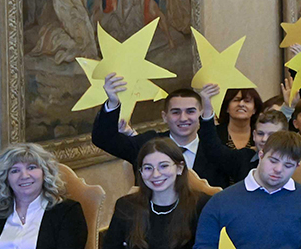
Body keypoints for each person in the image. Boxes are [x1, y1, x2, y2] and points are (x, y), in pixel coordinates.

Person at [93, 78, 243, 187]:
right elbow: (104, 139)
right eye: (176, 112)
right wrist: (112, 103)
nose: (183, 118)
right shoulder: (149, 144)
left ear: (200, 114)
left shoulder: (216, 149)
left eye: (190, 111)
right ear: (165, 116)